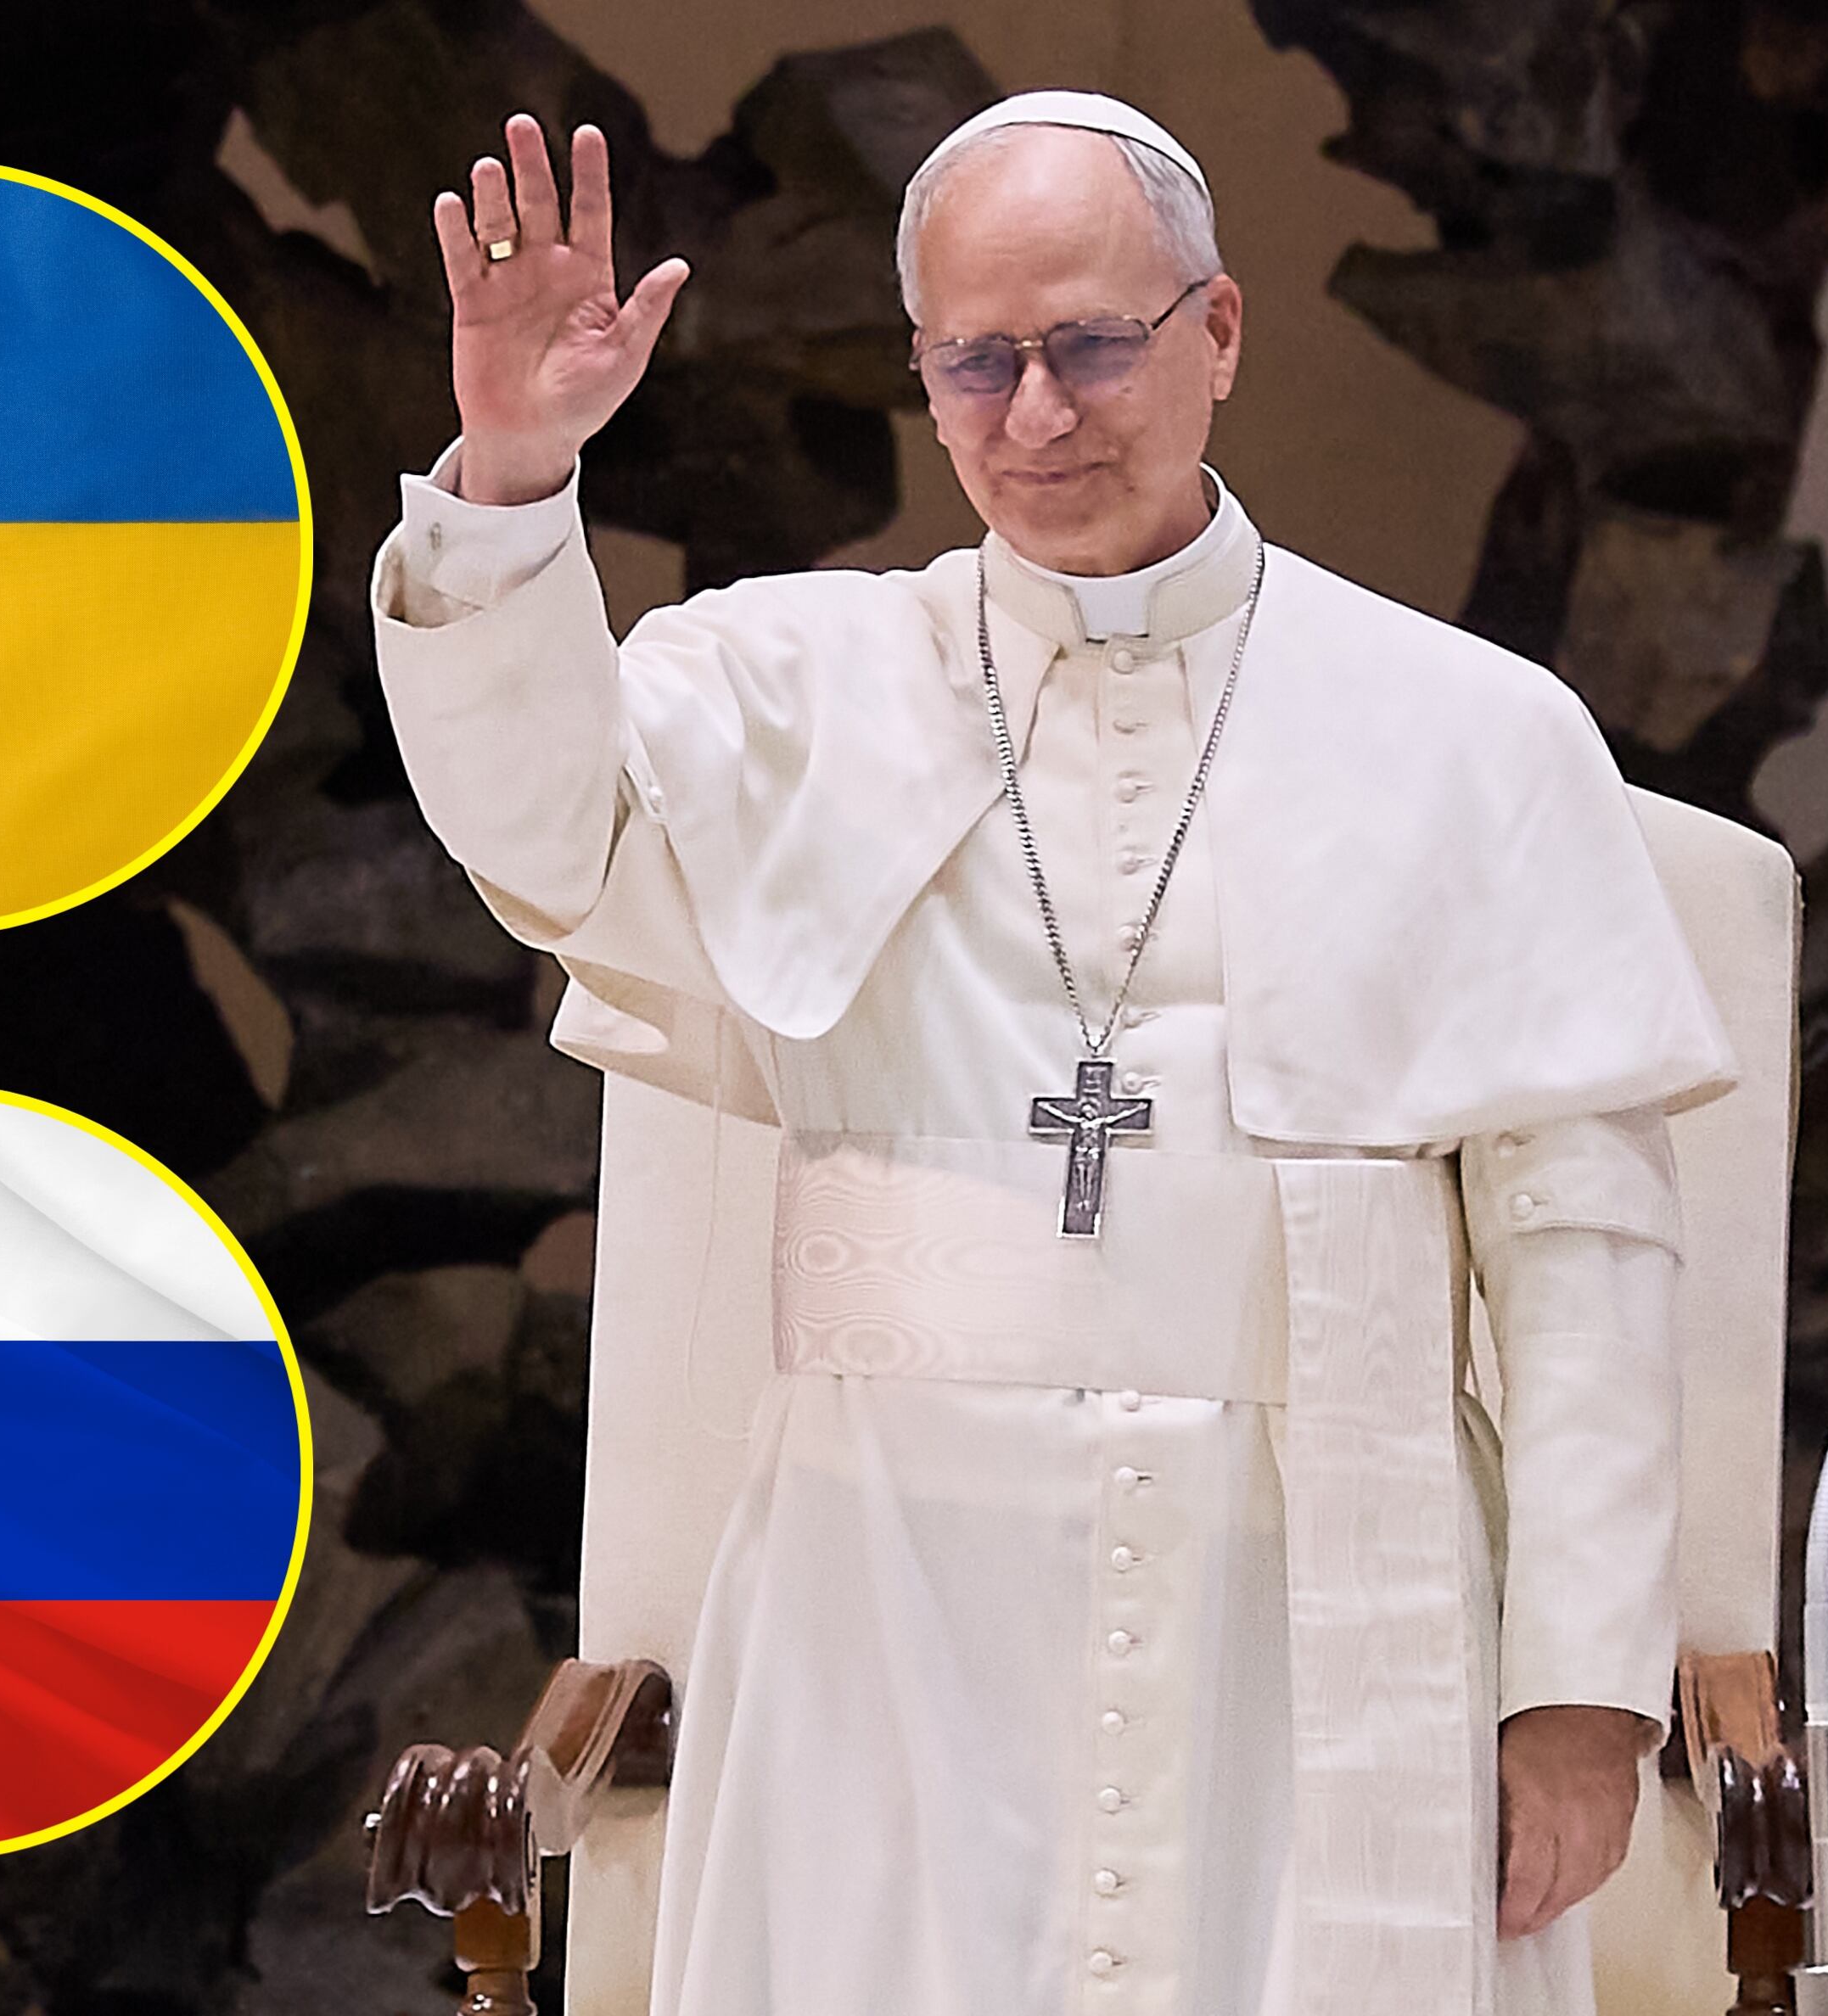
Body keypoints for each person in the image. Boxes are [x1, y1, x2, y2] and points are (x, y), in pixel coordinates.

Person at [370, 89, 1738, 2016]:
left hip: (1313, 1607)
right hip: (886, 1604)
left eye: (1092, 345)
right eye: (973, 361)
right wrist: (512, 477)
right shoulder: (786, 685)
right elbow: (532, 827)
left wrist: (1579, 1705)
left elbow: (1585, 1252)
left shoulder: (1473, 736)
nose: (1036, 415)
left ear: (1222, 334)